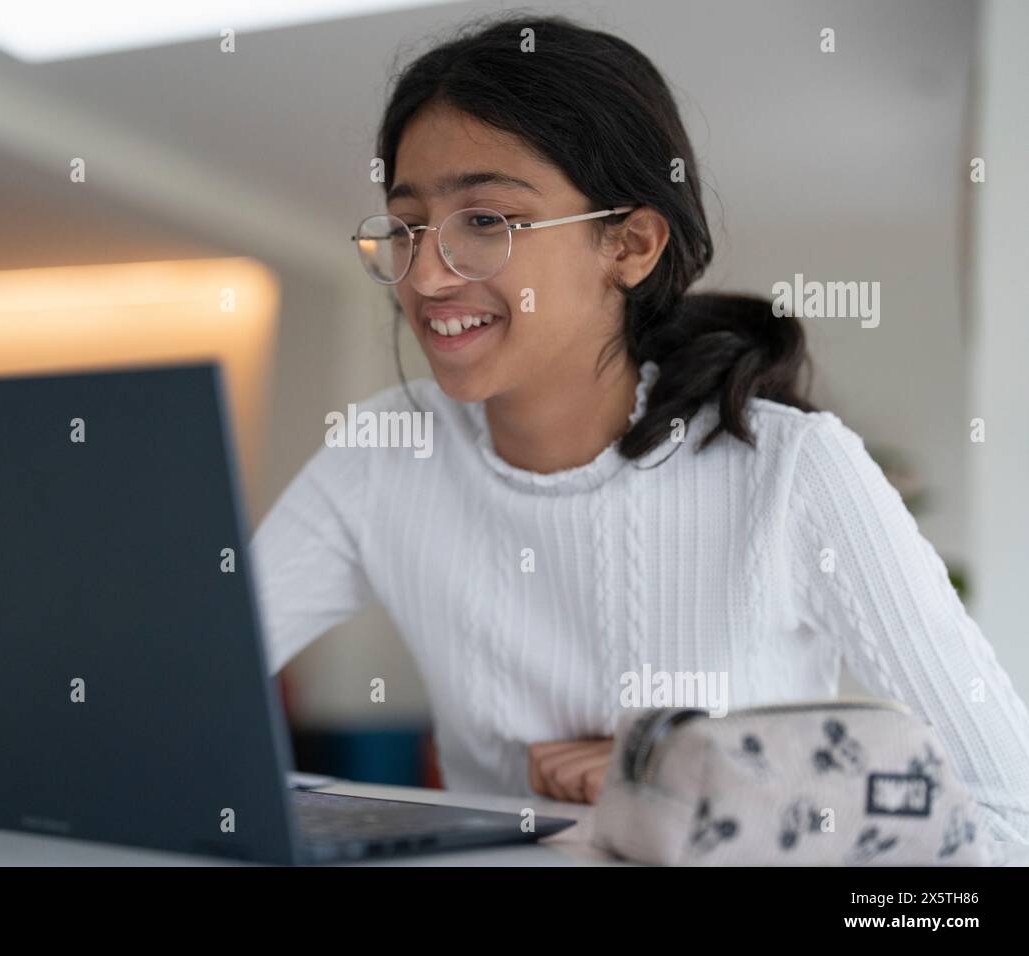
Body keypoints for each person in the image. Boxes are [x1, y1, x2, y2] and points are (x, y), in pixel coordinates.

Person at [251, 14, 1029, 842]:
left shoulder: (795, 472)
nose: (429, 276)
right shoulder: (381, 454)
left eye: (486, 221)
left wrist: (704, 787)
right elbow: (179, 692)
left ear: (628, 243)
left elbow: (1008, 819)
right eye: (407, 228)